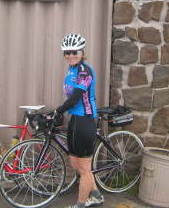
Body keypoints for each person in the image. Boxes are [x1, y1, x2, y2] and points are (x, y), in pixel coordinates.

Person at [55, 33, 104, 208]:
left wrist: (58, 110)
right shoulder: (71, 69)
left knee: (84, 169)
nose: (70, 55)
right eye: (67, 52)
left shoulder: (85, 71)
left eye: (74, 51)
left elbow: (76, 97)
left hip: (85, 121)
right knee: (75, 163)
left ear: (82, 52)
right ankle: (96, 195)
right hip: (75, 120)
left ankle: (81, 205)